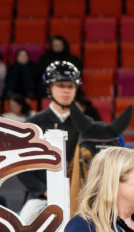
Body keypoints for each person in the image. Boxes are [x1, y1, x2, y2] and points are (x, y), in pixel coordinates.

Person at [21, 60, 94, 206]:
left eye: (71, 86)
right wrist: (44, 190)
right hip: (41, 197)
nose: (66, 91)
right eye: (60, 85)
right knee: (27, 217)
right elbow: (22, 166)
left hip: (81, 197)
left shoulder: (88, 123)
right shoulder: (33, 124)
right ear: (49, 88)